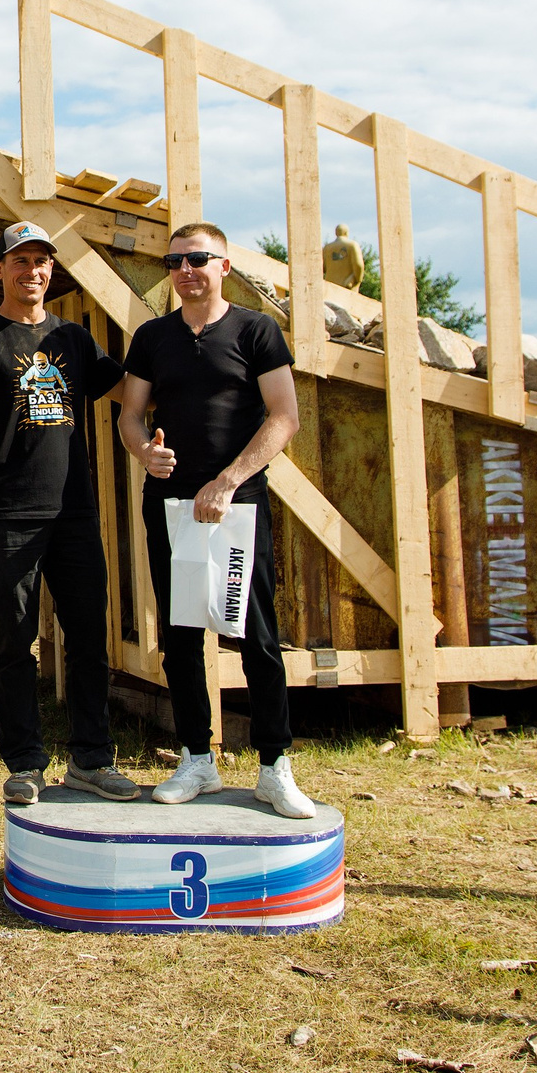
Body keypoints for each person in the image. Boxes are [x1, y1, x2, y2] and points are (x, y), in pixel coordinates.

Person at [0, 222, 137, 806]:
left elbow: (131, 395)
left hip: (74, 512)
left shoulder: (74, 340)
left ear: (51, 271)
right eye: (20, 261)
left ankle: (92, 760)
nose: (31, 271)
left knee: (89, 638)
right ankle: (26, 764)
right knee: (13, 643)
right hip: (9, 515)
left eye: (41, 261)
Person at [115, 223, 316, 816]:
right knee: (179, 636)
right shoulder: (152, 336)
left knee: (255, 636)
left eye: (198, 259)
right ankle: (196, 759)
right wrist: (143, 453)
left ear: (224, 265)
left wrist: (227, 481)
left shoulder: (256, 330)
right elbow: (130, 414)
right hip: (171, 506)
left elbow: (284, 418)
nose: (186, 270)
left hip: (237, 506)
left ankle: (274, 767)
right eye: (175, 261)